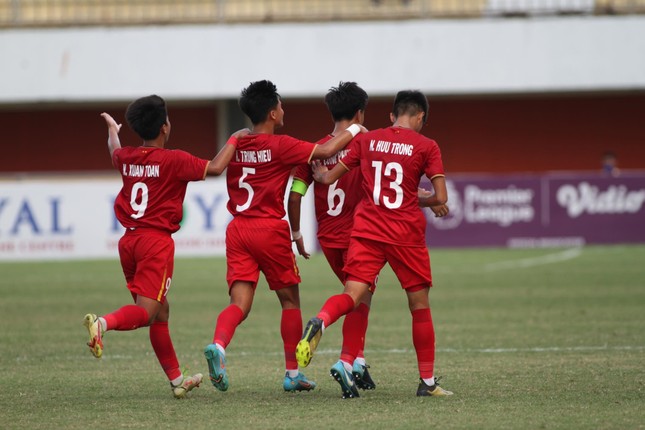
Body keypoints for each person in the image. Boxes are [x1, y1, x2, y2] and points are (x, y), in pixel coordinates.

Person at [204, 80, 366, 394]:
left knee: (239, 303)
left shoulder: (237, 142)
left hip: (237, 229)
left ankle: (219, 346)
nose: (283, 109)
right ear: (272, 114)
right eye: (280, 105)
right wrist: (357, 130)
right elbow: (330, 149)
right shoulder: (282, 145)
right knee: (290, 301)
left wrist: (235, 137)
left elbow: (219, 164)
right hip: (268, 228)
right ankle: (292, 374)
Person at [84, 95, 247, 399]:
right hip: (155, 244)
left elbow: (114, 152)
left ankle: (177, 380)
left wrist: (112, 131)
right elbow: (215, 168)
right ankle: (102, 323)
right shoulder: (174, 159)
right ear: (164, 127)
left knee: (160, 312)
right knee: (146, 312)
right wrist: (235, 138)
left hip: (129, 241)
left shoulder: (128, 157)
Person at [295, 90, 454, 398]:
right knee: (419, 306)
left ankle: (321, 320)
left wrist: (319, 174)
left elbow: (327, 179)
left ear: (393, 115)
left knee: (352, 294)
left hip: (367, 229)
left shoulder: (367, 141)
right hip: (405, 233)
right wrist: (427, 201)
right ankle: (427, 382)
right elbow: (442, 197)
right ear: (420, 117)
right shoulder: (427, 146)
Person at [287, 82, 377, 393]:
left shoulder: (315, 150)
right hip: (360, 235)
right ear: (359, 112)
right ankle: (340, 351)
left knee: (359, 295)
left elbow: (296, 194)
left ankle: (359, 362)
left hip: (329, 239)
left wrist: (297, 233)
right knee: (357, 296)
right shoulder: (365, 143)